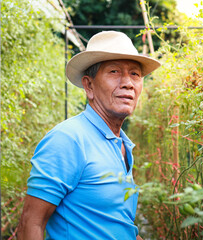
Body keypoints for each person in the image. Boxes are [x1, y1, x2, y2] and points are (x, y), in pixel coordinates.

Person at [17, 31, 161, 239]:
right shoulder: (68, 139)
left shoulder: (123, 145)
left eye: (135, 74)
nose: (128, 82)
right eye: (114, 71)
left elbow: (115, 224)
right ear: (89, 85)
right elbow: (31, 224)